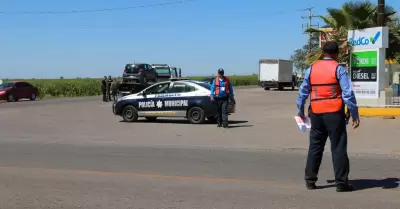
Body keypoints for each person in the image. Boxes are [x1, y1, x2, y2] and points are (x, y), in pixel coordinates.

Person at [296, 41, 360, 192]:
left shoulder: (311, 69)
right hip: (334, 114)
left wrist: (300, 110)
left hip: (316, 114)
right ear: (336, 54)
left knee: (315, 147)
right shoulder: (339, 69)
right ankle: (341, 184)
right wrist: (355, 113)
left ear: (323, 52)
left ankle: (310, 181)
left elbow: (302, 93)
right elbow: (348, 94)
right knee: (338, 148)